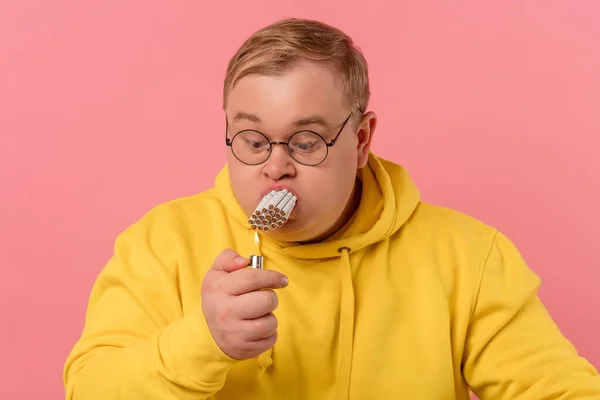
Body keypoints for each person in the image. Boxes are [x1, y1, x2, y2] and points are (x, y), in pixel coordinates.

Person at [63, 18, 600, 399]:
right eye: (252, 140)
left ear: (362, 139)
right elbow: (89, 390)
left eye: (305, 141)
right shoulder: (161, 243)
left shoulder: (469, 257)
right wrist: (202, 341)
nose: (275, 168)